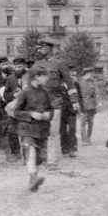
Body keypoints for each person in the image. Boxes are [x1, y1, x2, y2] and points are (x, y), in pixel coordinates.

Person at [25, 38, 78, 171]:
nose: (38, 50)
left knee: (53, 132)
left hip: (55, 101)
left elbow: (69, 82)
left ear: (48, 48)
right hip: (39, 103)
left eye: (41, 48)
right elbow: (27, 81)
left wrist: (74, 100)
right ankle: (42, 157)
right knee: (40, 131)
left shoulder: (59, 64)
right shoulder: (36, 65)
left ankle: (52, 160)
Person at [6, 63, 53, 192]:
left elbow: (50, 108)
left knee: (39, 157)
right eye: (43, 76)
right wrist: (31, 114)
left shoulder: (45, 92)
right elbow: (16, 112)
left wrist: (49, 114)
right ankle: (32, 177)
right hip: (28, 128)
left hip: (42, 128)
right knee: (31, 150)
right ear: (35, 77)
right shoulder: (25, 92)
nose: (46, 78)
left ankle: (33, 178)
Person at [78, 68, 99, 146]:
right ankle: (84, 140)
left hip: (91, 105)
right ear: (86, 73)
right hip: (83, 104)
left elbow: (96, 93)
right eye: (90, 73)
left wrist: (97, 103)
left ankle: (88, 138)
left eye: (91, 73)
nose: (91, 74)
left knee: (90, 123)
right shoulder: (80, 82)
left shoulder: (92, 81)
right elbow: (77, 94)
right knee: (83, 123)